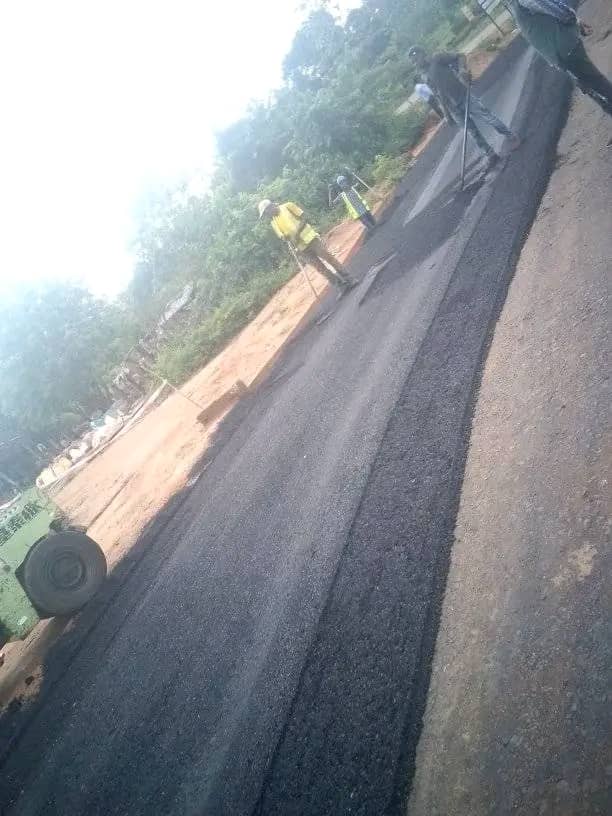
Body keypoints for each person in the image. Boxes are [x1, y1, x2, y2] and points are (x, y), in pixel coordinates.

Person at [408, 45, 521, 171]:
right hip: (452, 108)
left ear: (422, 53)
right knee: (472, 132)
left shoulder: (437, 58)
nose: (415, 62)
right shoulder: (423, 76)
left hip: (463, 95)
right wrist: (446, 114)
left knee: (487, 117)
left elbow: (459, 56)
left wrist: (462, 70)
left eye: (416, 58)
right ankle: (490, 154)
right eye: (413, 62)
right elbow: (437, 94)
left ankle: (511, 136)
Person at [503, 0, 612, 116]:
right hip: (563, 49)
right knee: (594, 84)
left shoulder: (517, 5)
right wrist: (574, 20)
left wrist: (575, 20)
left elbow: (552, 10)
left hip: (561, 52)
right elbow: (556, 10)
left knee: (593, 85)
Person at [258, 199, 355, 291]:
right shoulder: (274, 223)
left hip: (311, 239)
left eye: (266, 212)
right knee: (320, 268)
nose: (266, 215)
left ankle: (349, 279)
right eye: (265, 214)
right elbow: (283, 236)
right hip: (301, 248)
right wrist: (286, 238)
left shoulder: (287, 206)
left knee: (328, 258)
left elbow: (304, 217)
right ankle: (341, 286)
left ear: (270, 206)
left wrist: (297, 233)